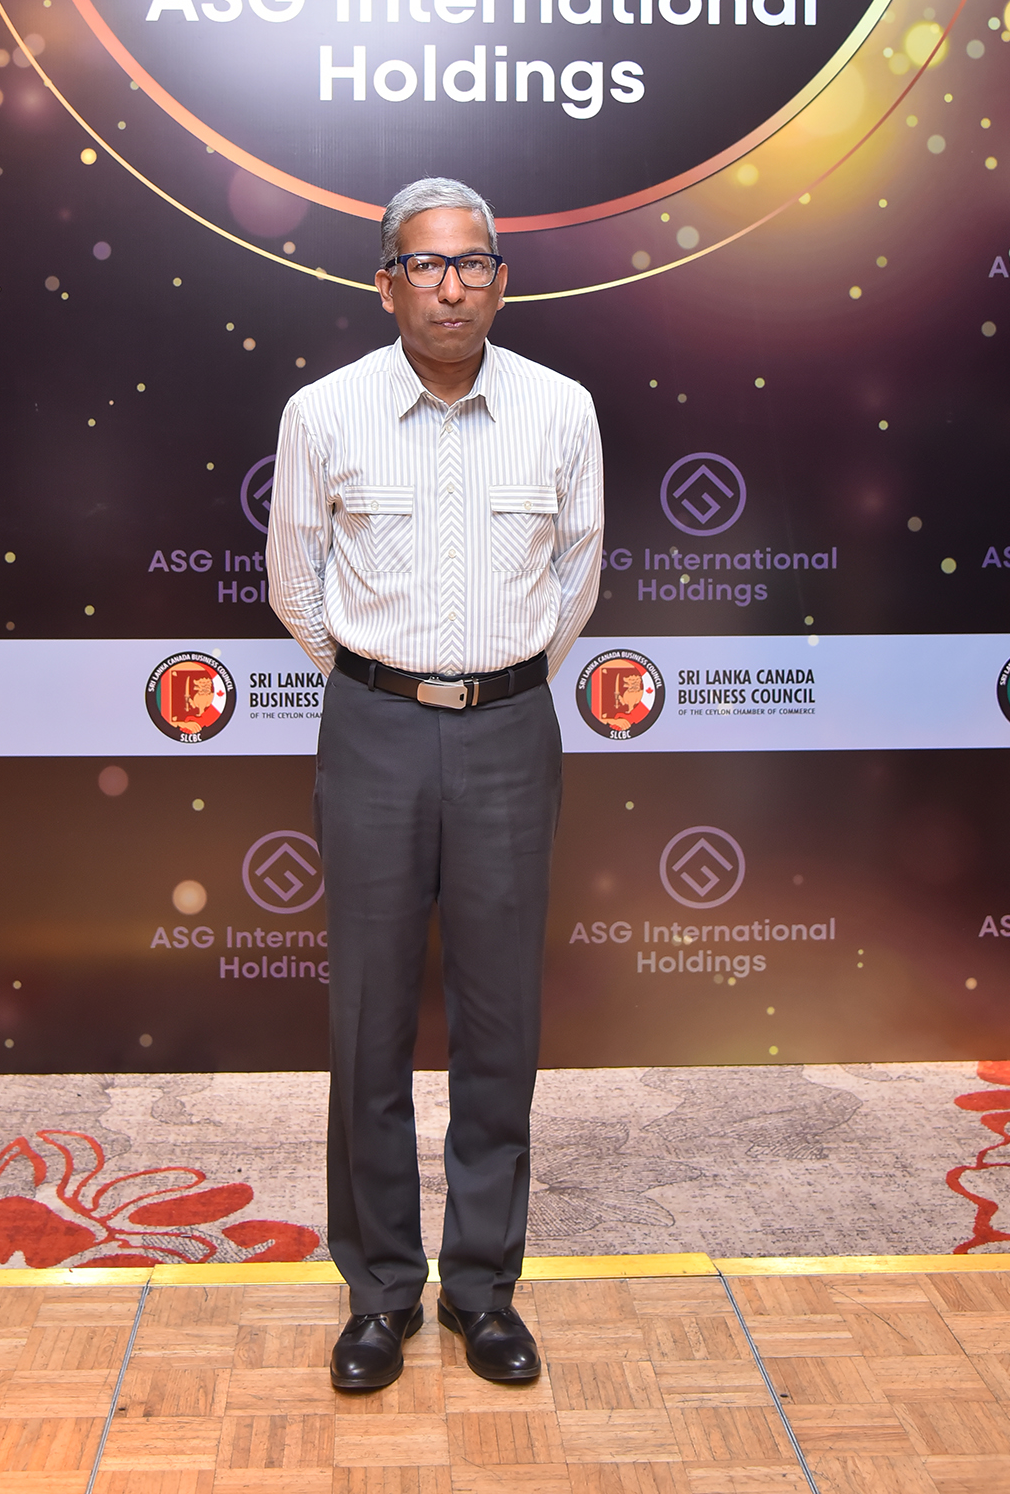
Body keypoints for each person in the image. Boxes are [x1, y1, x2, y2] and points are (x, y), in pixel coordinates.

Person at [267, 177, 603, 1391]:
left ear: (501, 281)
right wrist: (383, 684)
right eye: (425, 264)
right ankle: (378, 1294)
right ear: (386, 284)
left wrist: (496, 685)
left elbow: (576, 578)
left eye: (472, 264)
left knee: (499, 1021)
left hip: (511, 728)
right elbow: (295, 581)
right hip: (373, 728)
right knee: (368, 1022)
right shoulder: (325, 412)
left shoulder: (561, 409)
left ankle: (482, 1291)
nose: (449, 286)